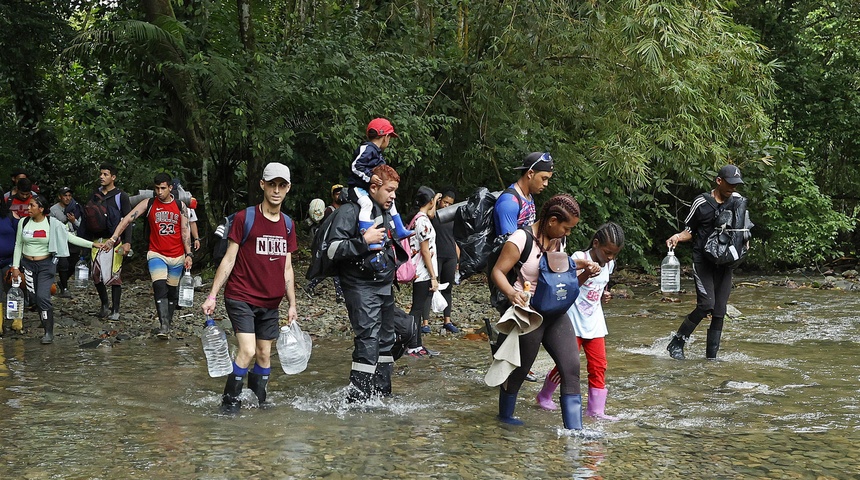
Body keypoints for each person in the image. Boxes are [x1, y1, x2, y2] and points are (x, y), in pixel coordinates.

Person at [489, 194, 600, 429]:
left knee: (571, 368)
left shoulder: (559, 242)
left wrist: (586, 272)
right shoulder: (520, 239)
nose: (567, 233)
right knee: (519, 372)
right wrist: (512, 294)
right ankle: (505, 420)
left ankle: (575, 431)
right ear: (551, 221)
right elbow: (497, 271)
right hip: (528, 314)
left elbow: (563, 279)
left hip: (556, 313)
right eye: (566, 228)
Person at [202, 162, 298, 413]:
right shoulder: (246, 218)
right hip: (241, 295)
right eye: (272, 184)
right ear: (262, 185)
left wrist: (292, 304)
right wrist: (212, 295)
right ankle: (229, 404)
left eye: (282, 185)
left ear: (288, 188)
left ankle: (259, 403)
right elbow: (229, 259)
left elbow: (288, 268)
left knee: (264, 355)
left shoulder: (288, 224)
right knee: (247, 350)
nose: (276, 190)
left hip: (271, 302)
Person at [323, 164, 405, 402]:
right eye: (389, 190)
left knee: (386, 339)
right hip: (359, 286)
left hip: (383, 284)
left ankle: (382, 395)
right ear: (373, 187)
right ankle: (358, 400)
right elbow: (332, 250)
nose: (393, 195)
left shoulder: (386, 212)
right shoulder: (349, 212)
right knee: (368, 340)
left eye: (394, 191)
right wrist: (363, 241)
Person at [536, 222, 625, 420]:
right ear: (595, 244)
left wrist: (605, 295)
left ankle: (595, 410)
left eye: (614, 254)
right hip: (573, 322)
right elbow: (568, 286)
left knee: (599, 365)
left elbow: (601, 285)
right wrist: (586, 272)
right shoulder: (579, 258)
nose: (610, 258)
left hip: (595, 323)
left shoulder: (609, 264)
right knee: (567, 365)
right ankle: (544, 395)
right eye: (607, 252)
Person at [666, 165, 749, 360]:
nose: (733, 189)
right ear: (719, 181)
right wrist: (677, 237)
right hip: (703, 261)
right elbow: (690, 230)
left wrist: (744, 245)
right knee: (706, 305)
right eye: (729, 184)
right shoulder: (701, 202)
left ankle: (711, 358)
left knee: (719, 311)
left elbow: (744, 229)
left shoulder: (738, 202)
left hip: (726, 262)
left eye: (736, 185)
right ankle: (677, 342)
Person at [103, 173, 193, 339]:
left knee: (172, 291)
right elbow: (127, 220)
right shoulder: (149, 203)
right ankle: (163, 325)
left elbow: (185, 231)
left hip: (177, 255)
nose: (159, 192)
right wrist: (114, 238)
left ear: (170, 188)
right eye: (157, 188)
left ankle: (168, 321)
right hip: (156, 253)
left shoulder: (181, 206)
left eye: (163, 188)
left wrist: (189, 254)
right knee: (159, 287)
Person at [10, 195, 102, 343]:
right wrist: (15, 266)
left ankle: (48, 332)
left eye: (32, 206)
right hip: (28, 265)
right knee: (34, 298)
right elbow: (18, 245)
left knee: (42, 297)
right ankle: (45, 320)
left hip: (46, 265)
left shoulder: (52, 223)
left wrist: (92, 244)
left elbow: (70, 237)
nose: (28, 208)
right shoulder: (24, 222)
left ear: (41, 209)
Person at [347, 118, 413, 250]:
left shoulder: (378, 154)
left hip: (369, 188)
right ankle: (367, 236)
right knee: (367, 204)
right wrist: (370, 177)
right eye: (389, 137)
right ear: (385, 137)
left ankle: (399, 229)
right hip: (357, 188)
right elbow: (355, 166)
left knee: (391, 202)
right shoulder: (367, 149)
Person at [78, 164, 132, 321]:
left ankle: (115, 309)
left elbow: (128, 219)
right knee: (96, 274)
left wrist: (127, 242)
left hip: (115, 240)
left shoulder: (121, 196)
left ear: (113, 177)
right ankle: (104, 304)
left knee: (115, 275)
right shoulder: (95, 194)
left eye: (105, 174)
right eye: (101, 174)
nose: (102, 176)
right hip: (97, 240)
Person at [405, 186, 443, 358]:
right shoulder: (423, 222)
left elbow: (432, 213)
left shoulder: (417, 218)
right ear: (428, 202)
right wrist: (433, 277)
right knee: (417, 309)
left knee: (419, 309)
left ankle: (418, 344)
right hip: (422, 271)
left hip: (419, 270)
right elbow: (425, 251)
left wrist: (433, 201)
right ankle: (412, 345)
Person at [493, 152, 554, 237]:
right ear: (530, 174)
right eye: (543, 178)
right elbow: (510, 244)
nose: (546, 184)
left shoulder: (528, 197)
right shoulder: (510, 203)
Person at [303, 184, 345, 302]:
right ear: (333, 196)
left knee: (330, 269)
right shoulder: (328, 211)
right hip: (328, 243)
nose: (339, 196)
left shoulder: (343, 209)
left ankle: (311, 286)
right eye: (337, 193)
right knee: (333, 268)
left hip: (337, 242)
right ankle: (339, 295)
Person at [430, 189, 459, 333]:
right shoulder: (433, 215)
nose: (446, 205)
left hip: (450, 256)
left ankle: (447, 320)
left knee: (448, 289)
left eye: (450, 203)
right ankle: (424, 323)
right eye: (445, 202)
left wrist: (458, 260)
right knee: (430, 288)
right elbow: (430, 214)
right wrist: (435, 200)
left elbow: (456, 240)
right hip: (435, 256)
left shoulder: (452, 218)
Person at [50, 187, 82, 298]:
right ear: (60, 197)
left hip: (74, 238)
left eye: (69, 195)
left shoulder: (76, 208)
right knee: (63, 264)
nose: (67, 198)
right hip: (60, 240)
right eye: (65, 195)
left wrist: (74, 221)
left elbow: (81, 226)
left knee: (73, 264)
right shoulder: (54, 210)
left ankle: (63, 282)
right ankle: (64, 287)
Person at [0, 199, 20, 334]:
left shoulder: (11, 216)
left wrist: (17, 263)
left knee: (13, 291)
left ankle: (16, 321)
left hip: (10, 261)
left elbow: (20, 239)